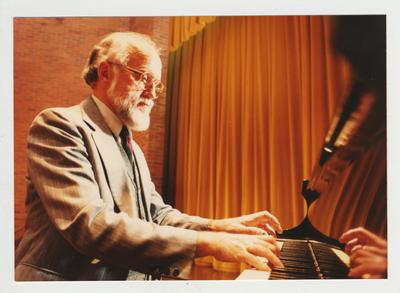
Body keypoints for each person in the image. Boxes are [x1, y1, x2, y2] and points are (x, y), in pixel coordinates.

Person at [15, 32, 284, 281]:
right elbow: (90, 224)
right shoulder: (60, 124)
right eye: (143, 77)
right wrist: (207, 244)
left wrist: (219, 227)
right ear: (106, 71)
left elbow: (157, 215)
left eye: (157, 85)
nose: (153, 94)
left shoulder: (131, 145)